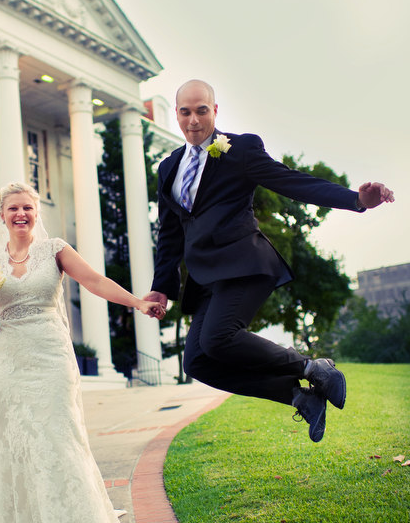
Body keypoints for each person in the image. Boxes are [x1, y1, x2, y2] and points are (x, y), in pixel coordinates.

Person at [145, 79, 394, 443]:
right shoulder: (169, 168)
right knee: (197, 360)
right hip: (205, 276)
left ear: (215, 111)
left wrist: (356, 199)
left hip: (244, 263)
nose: (193, 120)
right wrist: (161, 288)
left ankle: (313, 368)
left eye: (201, 110)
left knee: (218, 339)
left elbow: (292, 182)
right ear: (177, 114)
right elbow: (170, 233)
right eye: (185, 112)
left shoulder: (240, 149)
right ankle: (300, 397)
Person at [0, 181, 164, 523]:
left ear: (36, 211)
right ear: (1, 215)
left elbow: (95, 282)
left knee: (56, 436)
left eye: (27, 207)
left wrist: (138, 302)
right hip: (10, 360)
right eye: (13, 208)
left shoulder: (55, 250)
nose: (21, 214)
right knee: (21, 444)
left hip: (51, 356)